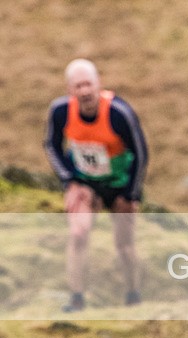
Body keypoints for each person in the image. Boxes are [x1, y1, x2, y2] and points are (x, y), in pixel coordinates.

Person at [44, 58, 148, 312]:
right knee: (78, 234)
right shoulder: (60, 112)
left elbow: (141, 152)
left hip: (120, 183)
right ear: (70, 90)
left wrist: (130, 194)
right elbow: (51, 145)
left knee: (124, 244)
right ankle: (76, 299)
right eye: (78, 86)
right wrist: (69, 180)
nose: (84, 91)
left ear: (98, 85)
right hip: (84, 181)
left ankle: (133, 295)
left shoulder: (118, 113)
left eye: (88, 84)